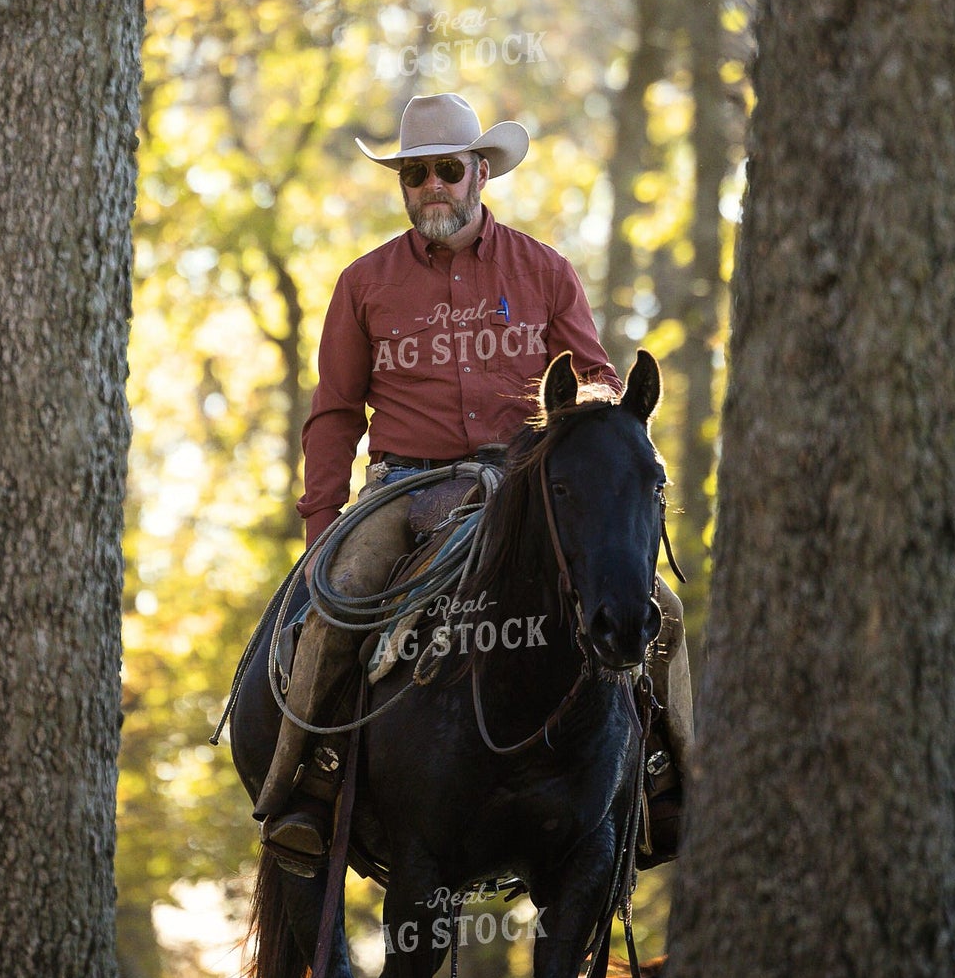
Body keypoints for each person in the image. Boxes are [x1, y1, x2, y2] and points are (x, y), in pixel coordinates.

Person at [253, 92, 694, 872]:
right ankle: (303, 787)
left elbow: (594, 381)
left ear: (479, 173)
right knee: (339, 596)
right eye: (413, 174)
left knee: (660, 605)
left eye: (445, 170)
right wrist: (323, 524)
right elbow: (333, 414)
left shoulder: (544, 271)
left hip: (519, 488)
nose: (430, 187)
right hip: (403, 489)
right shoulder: (364, 284)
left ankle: (670, 774)